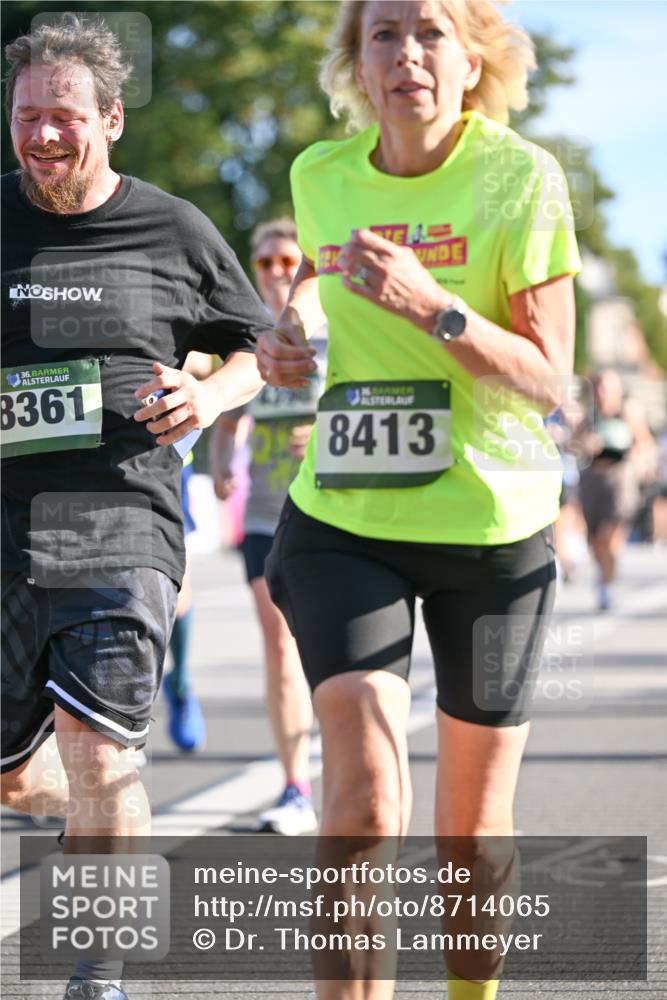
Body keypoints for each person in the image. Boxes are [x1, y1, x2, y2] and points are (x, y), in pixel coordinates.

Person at [257, 2, 580, 998]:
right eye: (383, 33)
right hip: (347, 521)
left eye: (431, 31)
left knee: (471, 833)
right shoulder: (320, 176)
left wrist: (433, 309)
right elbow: (311, 290)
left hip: (493, 530)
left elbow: (548, 378)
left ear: (472, 51)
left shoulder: (519, 177)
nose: (406, 55)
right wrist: (287, 338)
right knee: (357, 806)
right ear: (356, 59)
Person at [0, 15, 268, 1000]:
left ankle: (97, 974)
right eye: (27, 116)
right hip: (4, 527)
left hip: (118, 513)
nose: (43, 135)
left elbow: (259, 348)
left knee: (101, 746)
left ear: (110, 119)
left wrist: (208, 394)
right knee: (21, 773)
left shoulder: (172, 228)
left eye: (64, 116)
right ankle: (96, 809)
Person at [210, 218, 326, 834]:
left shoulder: (336, 328)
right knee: (279, 646)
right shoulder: (248, 335)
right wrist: (222, 466)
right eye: (266, 264)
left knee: (329, 650)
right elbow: (227, 420)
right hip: (263, 515)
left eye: (289, 262)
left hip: (333, 509)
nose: (278, 273)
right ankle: (295, 786)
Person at [574, 370, 656, 610]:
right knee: (594, 541)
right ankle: (604, 579)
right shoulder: (589, 417)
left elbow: (645, 444)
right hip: (592, 479)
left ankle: (607, 587)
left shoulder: (627, 414)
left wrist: (639, 463)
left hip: (619, 479)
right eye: (598, 387)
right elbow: (574, 444)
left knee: (608, 537)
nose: (601, 393)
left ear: (617, 392)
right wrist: (585, 443)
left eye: (606, 388)